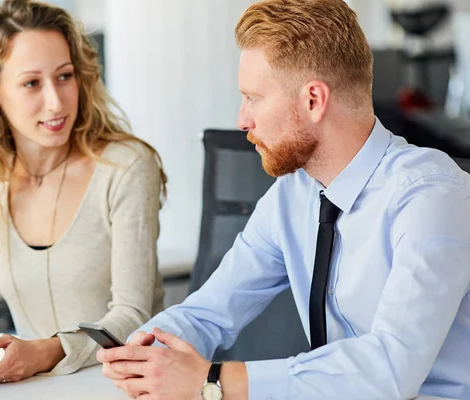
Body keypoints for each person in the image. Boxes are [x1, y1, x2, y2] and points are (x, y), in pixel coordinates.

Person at [97, 0, 470, 399]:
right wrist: (146, 349)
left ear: (313, 100)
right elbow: (211, 310)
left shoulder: (431, 195)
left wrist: (212, 381)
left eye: (253, 98)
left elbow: (391, 369)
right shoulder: (293, 195)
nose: (242, 119)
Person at [0, 0, 166, 384]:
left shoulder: (126, 166)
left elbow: (132, 315)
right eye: (32, 83)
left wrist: (45, 351)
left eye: (64, 76)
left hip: (125, 384)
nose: (56, 101)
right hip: (38, 388)